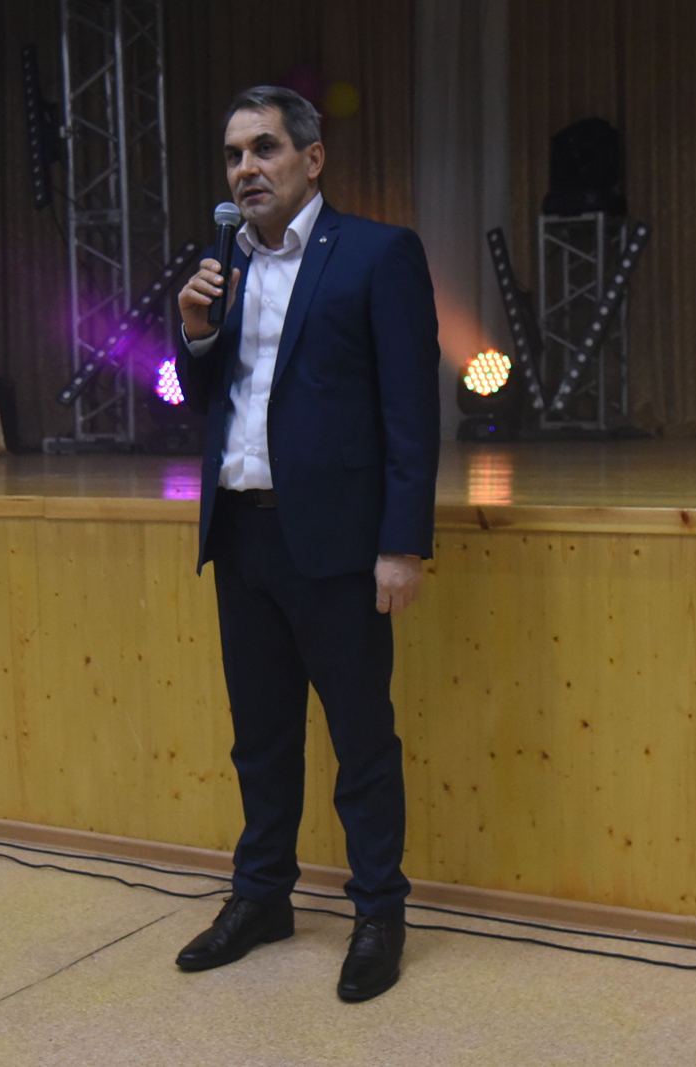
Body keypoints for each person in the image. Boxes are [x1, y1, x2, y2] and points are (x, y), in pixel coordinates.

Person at [172, 85, 440, 1003]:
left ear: (312, 158)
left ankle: (379, 912)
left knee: (361, 741)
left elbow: (411, 413)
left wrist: (401, 543)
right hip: (242, 533)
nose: (246, 168)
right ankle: (262, 897)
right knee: (260, 738)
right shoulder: (222, 261)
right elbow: (208, 399)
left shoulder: (376, 253)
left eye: (265, 148)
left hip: (337, 543)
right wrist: (194, 335)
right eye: (234, 154)